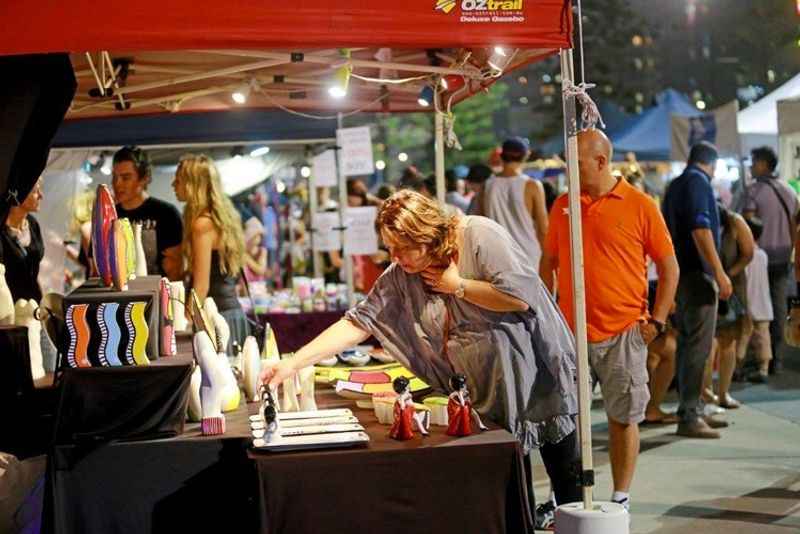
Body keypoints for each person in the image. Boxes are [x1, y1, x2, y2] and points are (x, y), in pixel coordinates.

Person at [261, 189, 582, 510]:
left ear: (427, 234)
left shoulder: (478, 234)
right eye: (390, 248)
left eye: (403, 248)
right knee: (510, 481)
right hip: (483, 388)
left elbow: (519, 297)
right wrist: (293, 364)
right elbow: (358, 323)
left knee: (567, 480)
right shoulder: (401, 274)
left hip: (535, 375)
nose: (395, 257)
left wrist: (458, 285)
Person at [540, 129, 679, 513]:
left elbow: (669, 266)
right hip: (570, 335)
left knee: (623, 417)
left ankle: (621, 497)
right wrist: (546, 312)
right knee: (563, 423)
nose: (570, 169)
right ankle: (563, 495)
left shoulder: (640, 205)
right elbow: (549, 261)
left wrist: (658, 321)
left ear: (601, 161)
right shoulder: (563, 205)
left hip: (624, 333)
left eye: (577, 162)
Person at [662, 141, 732, 439]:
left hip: (681, 272)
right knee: (697, 346)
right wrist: (718, 272)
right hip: (696, 275)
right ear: (711, 164)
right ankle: (690, 414)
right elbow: (701, 229)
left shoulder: (677, 183)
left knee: (690, 344)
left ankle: (693, 408)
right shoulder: (698, 182)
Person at [172, 154, 248, 351]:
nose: (173, 185)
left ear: (192, 184)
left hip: (216, 318)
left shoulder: (202, 224)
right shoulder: (223, 218)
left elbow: (201, 287)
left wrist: (185, 325)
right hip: (231, 313)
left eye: (178, 180)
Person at [742, 146, 798, 375]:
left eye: (754, 162)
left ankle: (757, 358)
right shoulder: (788, 190)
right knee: (777, 305)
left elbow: (746, 223)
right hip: (785, 256)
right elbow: (796, 225)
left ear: (764, 164)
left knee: (756, 306)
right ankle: (777, 357)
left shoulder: (753, 191)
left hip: (759, 257)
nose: (751, 166)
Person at [0, 178, 56, 372]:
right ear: (19, 193)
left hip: (37, 310)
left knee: (49, 367)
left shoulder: (32, 224)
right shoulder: (1, 232)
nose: (40, 195)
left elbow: (34, 271)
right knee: (25, 373)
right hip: (12, 319)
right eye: (35, 191)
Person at [703, 205, 754, 409]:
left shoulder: (735, 222)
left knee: (728, 341)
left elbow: (748, 253)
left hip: (732, 289)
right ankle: (707, 393)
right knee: (708, 343)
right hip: (707, 286)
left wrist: (728, 274)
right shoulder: (702, 224)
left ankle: (723, 393)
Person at [112, 146, 183, 280]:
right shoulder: (109, 216)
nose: (117, 184)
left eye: (126, 177)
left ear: (144, 178)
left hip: (158, 295)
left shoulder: (167, 214)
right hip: (119, 296)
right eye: (114, 177)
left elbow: (176, 269)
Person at [477, 137, 548, 268]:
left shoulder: (487, 186)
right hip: (529, 257)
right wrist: (548, 260)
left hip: (497, 257)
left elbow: (481, 223)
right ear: (525, 156)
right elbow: (543, 229)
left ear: (502, 157)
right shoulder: (532, 186)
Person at [243, 216, 270, 283]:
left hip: (258, 287)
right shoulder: (243, 252)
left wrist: (248, 259)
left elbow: (261, 270)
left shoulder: (262, 251)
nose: (259, 238)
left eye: (260, 235)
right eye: (256, 235)